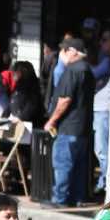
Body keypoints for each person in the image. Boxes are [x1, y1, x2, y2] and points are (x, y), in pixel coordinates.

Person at [45, 35, 96, 207]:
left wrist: (52, 120)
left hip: (68, 127)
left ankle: (60, 199)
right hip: (83, 128)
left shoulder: (72, 70)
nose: (62, 53)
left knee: (63, 164)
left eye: (65, 50)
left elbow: (65, 99)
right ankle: (77, 198)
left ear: (73, 52)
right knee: (79, 166)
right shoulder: (88, 70)